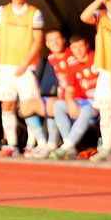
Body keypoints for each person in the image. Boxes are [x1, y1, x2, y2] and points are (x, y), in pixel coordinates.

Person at [0, 0, 46, 157]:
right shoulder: (2, 12)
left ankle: (32, 143)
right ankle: (11, 144)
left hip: (25, 67)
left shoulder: (34, 13)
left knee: (29, 105)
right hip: (5, 66)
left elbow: (38, 41)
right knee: (7, 103)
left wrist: (25, 63)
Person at [80, 0, 111, 161]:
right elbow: (84, 16)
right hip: (105, 70)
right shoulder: (101, 16)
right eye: (108, 0)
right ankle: (106, 148)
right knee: (105, 111)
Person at [48, 36, 98, 159]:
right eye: (75, 47)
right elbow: (69, 89)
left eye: (81, 46)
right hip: (83, 102)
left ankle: (66, 147)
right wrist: (70, 102)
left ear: (87, 46)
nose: (78, 51)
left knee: (87, 110)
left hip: (99, 103)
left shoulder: (96, 58)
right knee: (58, 105)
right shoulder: (72, 63)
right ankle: (70, 147)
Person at [28, 29, 73, 158]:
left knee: (53, 103)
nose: (55, 43)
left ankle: (53, 143)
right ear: (47, 44)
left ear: (64, 40)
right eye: (51, 40)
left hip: (72, 99)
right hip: (56, 98)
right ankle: (42, 144)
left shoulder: (71, 56)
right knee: (26, 105)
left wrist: (59, 97)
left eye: (57, 39)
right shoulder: (50, 59)